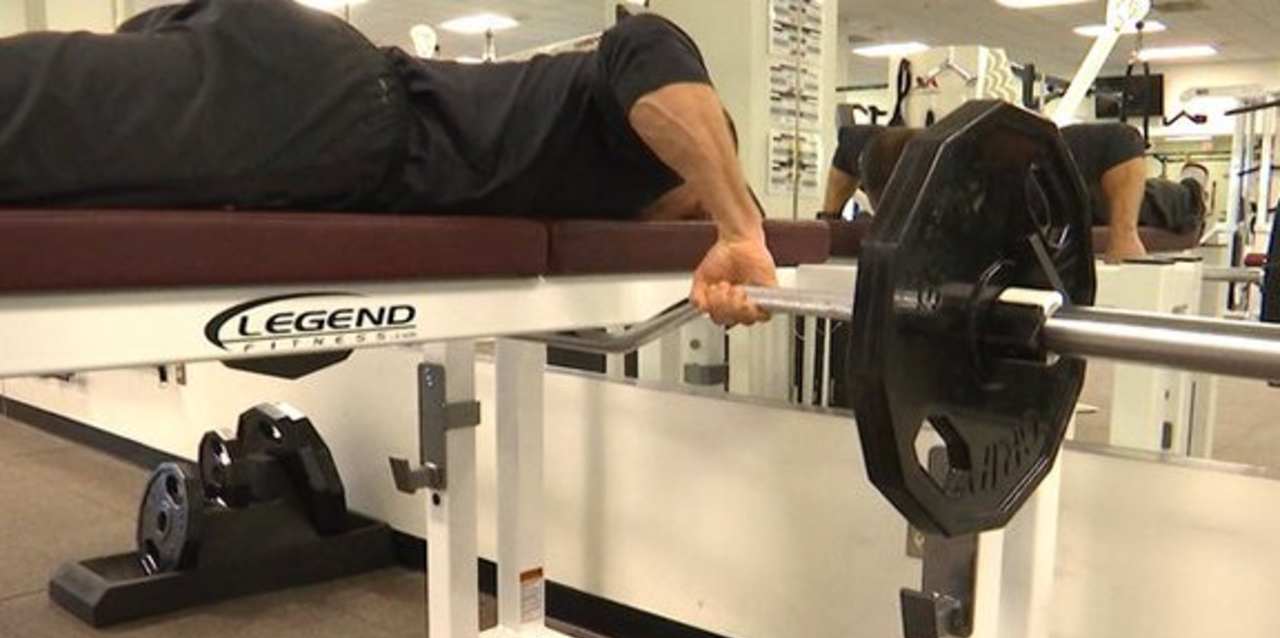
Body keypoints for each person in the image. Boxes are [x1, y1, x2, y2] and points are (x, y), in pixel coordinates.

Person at [0, 0, 774, 326]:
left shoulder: (603, 188)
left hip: (324, 99)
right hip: (342, 117)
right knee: (34, 120)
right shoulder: (645, 145)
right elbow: (647, 42)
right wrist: (737, 221)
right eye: (696, 214)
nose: (688, 227)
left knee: (60, 102)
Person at [843, 120, 1207, 263]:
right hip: (1072, 208)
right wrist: (830, 219)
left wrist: (1124, 235)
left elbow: (1122, 139)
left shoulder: (1014, 159)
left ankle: (1195, 182)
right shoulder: (878, 158)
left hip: (1150, 204)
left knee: (1186, 197)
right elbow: (848, 143)